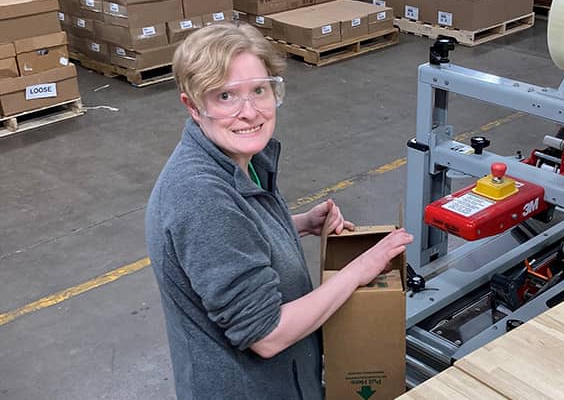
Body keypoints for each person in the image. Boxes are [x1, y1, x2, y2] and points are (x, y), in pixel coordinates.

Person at [145, 22, 413, 400]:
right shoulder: (200, 196)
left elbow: (233, 237)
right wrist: (360, 270)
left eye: (259, 90)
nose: (250, 112)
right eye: (225, 96)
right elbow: (267, 335)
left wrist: (298, 224)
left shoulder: (238, 160)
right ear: (193, 106)